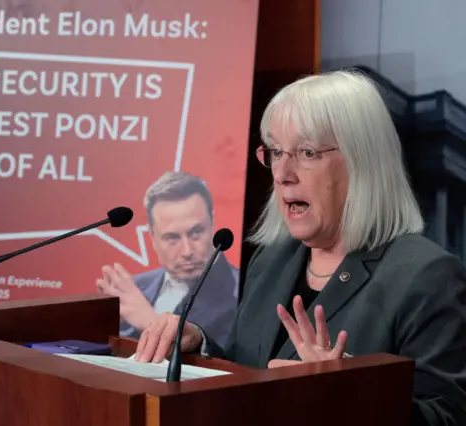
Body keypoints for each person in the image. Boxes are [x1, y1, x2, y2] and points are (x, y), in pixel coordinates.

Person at [133, 70, 466, 426]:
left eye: (307, 152)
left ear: (362, 162)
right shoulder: (271, 260)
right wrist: (198, 345)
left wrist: (347, 393)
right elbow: (249, 373)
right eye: (276, 151)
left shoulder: (427, 277)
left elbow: (449, 417)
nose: (282, 173)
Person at [96, 171, 239, 348]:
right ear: (153, 238)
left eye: (196, 232)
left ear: (212, 223)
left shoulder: (242, 290)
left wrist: (149, 320)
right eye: (172, 237)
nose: (187, 251)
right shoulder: (137, 289)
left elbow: (228, 359)